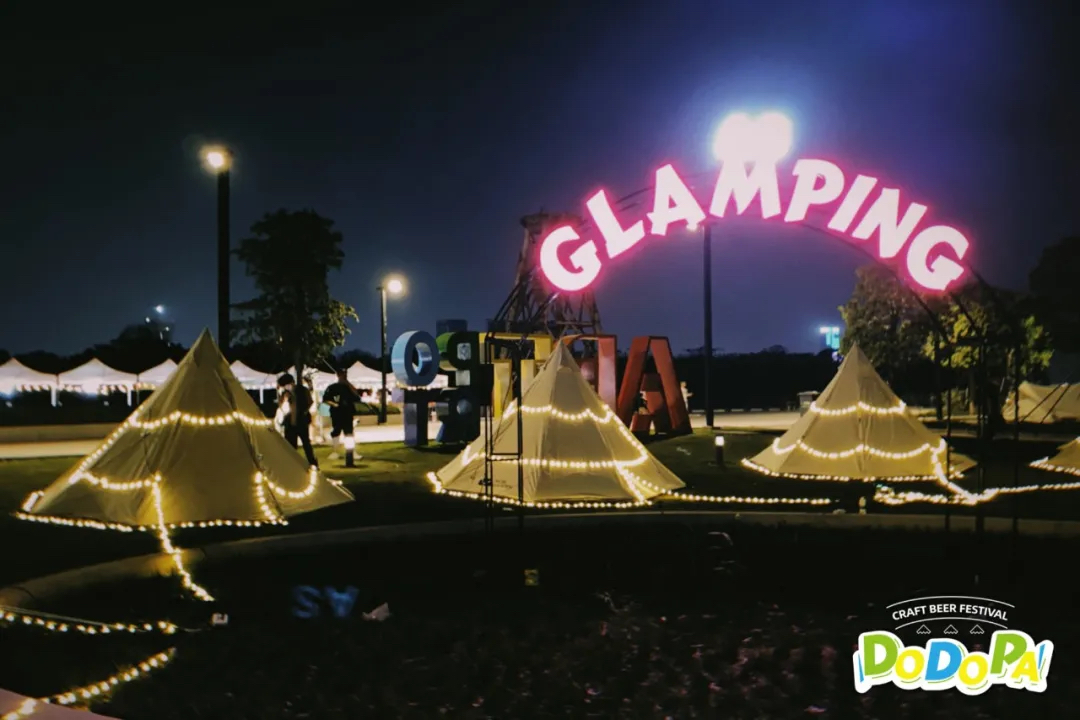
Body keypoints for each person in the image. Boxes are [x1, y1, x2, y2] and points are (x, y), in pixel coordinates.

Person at [277, 373, 318, 468]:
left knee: (306, 444)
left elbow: (310, 402)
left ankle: (312, 462)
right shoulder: (285, 393)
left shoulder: (302, 390)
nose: (285, 387)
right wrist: (284, 398)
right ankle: (292, 463)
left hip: (301, 421)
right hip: (290, 422)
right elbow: (281, 405)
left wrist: (303, 411)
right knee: (291, 445)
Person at [322, 369, 361, 467]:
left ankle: (350, 455)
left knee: (349, 434)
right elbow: (326, 399)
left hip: (348, 414)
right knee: (336, 431)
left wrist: (348, 384)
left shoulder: (348, 387)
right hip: (337, 414)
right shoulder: (333, 387)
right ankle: (336, 451)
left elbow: (357, 396)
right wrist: (335, 405)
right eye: (343, 374)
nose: (345, 376)